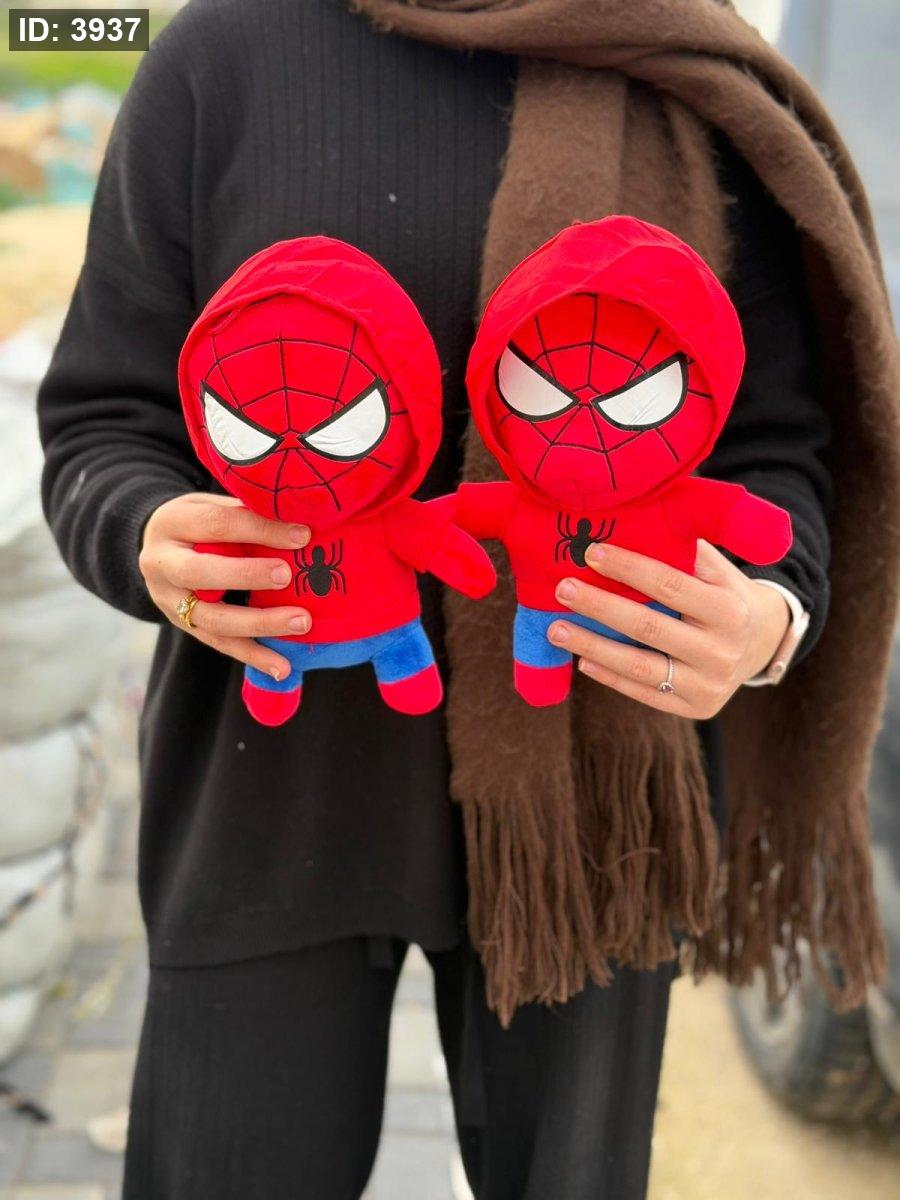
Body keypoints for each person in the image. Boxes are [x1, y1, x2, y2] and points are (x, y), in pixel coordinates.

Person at [38, 1, 897, 1197]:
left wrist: (764, 619)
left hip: (591, 809)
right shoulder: (223, 53)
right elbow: (101, 421)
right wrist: (145, 537)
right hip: (270, 783)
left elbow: (778, 449)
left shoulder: (683, 71)